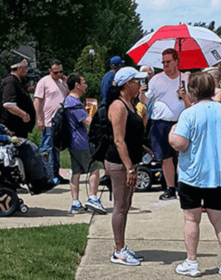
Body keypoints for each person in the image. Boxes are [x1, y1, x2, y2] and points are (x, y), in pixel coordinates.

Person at [169, 72, 221, 278]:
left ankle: (192, 262)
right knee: (219, 219)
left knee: (191, 219)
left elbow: (180, 144)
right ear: (212, 89)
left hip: (192, 175)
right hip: (218, 175)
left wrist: (171, 134)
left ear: (192, 91)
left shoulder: (189, 114)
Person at [105, 67, 153, 266]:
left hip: (130, 161)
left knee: (126, 206)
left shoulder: (131, 104)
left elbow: (129, 135)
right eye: (137, 81)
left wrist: (143, 148)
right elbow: (118, 140)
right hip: (119, 163)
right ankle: (118, 250)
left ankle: (122, 246)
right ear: (127, 84)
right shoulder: (118, 106)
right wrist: (130, 169)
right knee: (120, 206)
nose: (140, 84)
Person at [139, 48, 191, 200]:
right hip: (160, 123)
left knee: (183, 157)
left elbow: (191, 103)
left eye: (168, 62)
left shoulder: (185, 79)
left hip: (181, 122)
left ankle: (184, 186)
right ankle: (170, 188)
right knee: (166, 157)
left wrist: (184, 95)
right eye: (163, 62)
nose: (165, 65)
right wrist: (142, 93)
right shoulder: (156, 80)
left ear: (176, 61)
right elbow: (146, 101)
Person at [65, 73, 107, 215]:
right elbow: (88, 122)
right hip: (81, 141)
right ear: (77, 85)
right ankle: (93, 198)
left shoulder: (68, 101)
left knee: (76, 172)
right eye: (83, 82)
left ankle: (75, 203)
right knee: (94, 168)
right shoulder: (74, 103)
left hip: (72, 142)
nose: (86, 85)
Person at [34, 59, 69, 184]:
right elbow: (37, 101)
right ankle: (45, 175)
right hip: (48, 121)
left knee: (56, 149)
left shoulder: (62, 83)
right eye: (55, 72)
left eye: (60, 72)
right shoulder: (44, 81)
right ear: (50, 71)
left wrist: (66, 83)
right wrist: (40, 119)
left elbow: (69, 97)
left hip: (60, 122)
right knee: (46, 148)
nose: (58, 74)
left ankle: (55, 174)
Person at [99, 56, 124, 186]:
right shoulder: (114, 77)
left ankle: (107, 171)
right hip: (110, 108)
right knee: (113, 139)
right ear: (118, 66)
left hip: (103, 107)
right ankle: (109, 173)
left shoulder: (105, 76)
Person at [0, 57, 36, 138]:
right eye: (25, 67)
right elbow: (8, 104)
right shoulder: (10, 81)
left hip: (20, 130)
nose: (27, 70)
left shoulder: (18, 82)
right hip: (12, 130)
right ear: (19, 68)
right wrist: (24, 115)